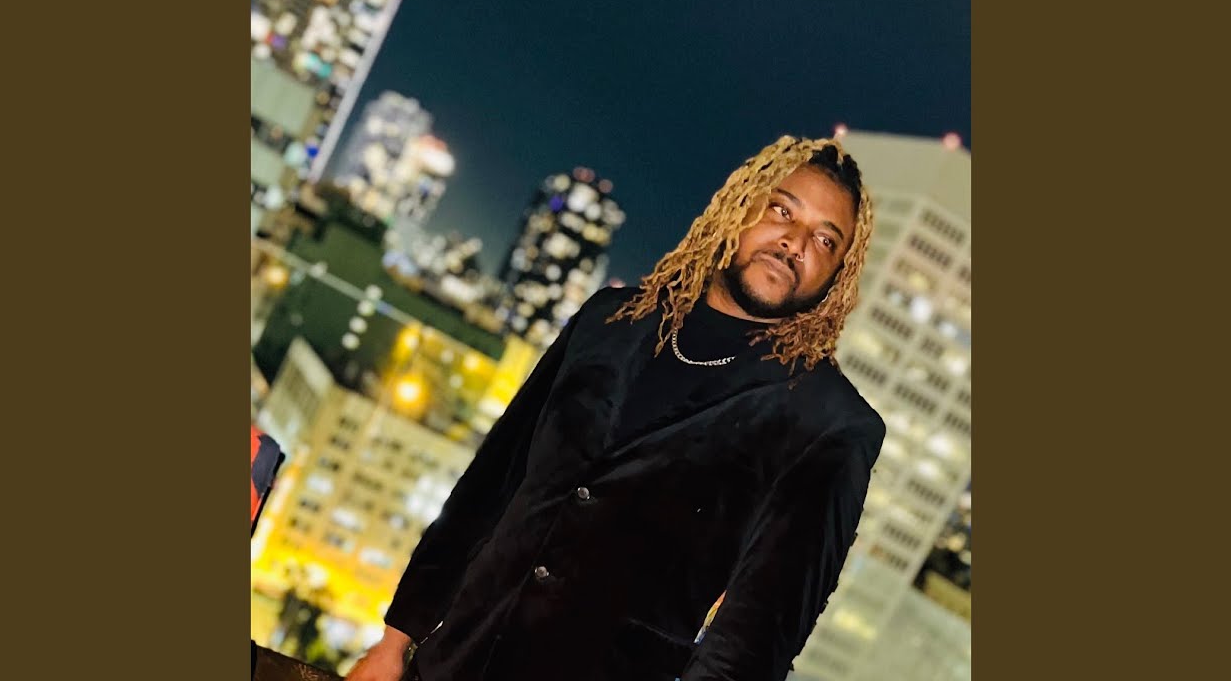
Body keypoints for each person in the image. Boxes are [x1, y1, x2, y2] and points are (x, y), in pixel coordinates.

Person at [346, 135, 886, 681]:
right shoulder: (609, 321)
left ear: (837, 275)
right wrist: (396, 640)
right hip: (455, 662)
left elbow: (756, 641)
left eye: (825, 240)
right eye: (781, 210)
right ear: (737, 207)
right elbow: (488, 486)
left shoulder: (831, 425)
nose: (795, 242)